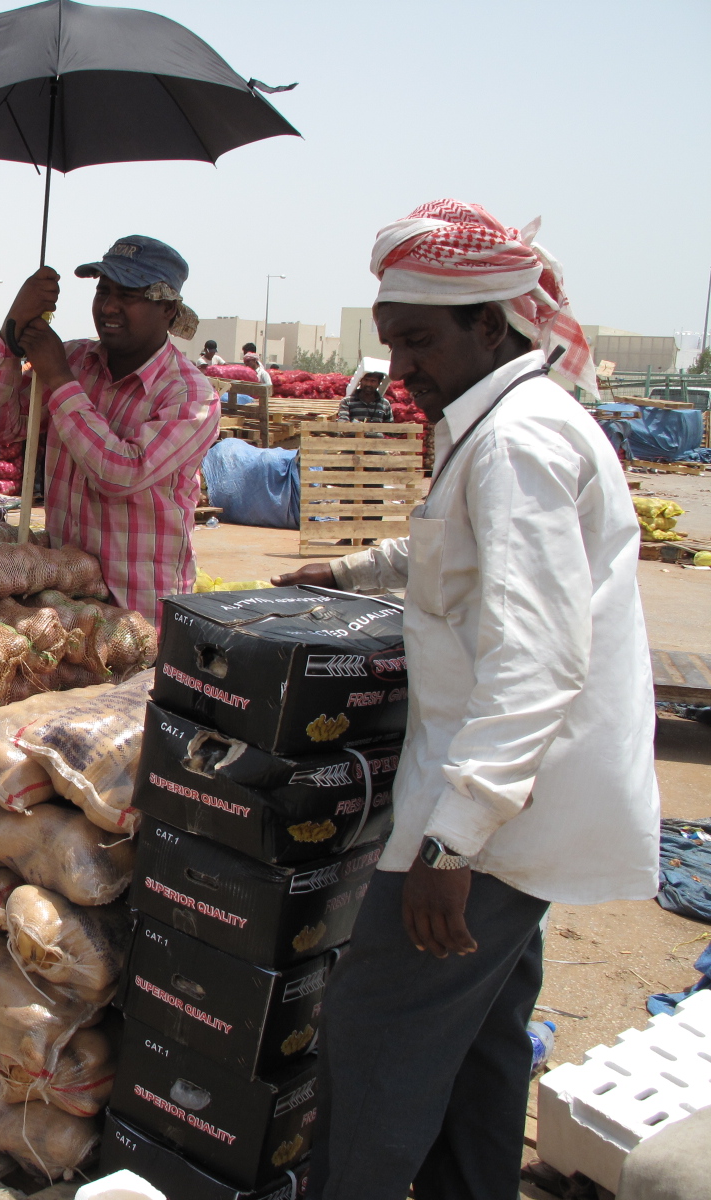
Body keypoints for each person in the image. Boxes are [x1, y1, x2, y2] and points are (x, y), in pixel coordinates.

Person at [273, 200, 656, 1200]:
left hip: (494, 817)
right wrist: (348, 572)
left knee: (373, 1038)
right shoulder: (499, 428)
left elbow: (535, 658)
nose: (399, 368)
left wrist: (454, 842)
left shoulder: (517, 442)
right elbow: (454, 558)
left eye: (418, 341)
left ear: (491, 324)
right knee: (484, 1037)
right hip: (513, 809)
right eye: (390, 342)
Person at [0, 235, 219, 619]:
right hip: (64, 604)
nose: (109, 306)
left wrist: (59, 379)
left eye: (128, 295)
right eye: (103, 291)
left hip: (136, 613)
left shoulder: (191, 395)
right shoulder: (75, 359)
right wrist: (12, 332)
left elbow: (120, 474)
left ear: (167, 308)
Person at [336, 358, 393, 422]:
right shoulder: (347, 402)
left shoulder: (384, 404)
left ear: (379, 383)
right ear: (360, 380)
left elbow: (389, 426)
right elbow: (343, 423)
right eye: (366, 380)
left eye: (373, 381)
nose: (368, 384)